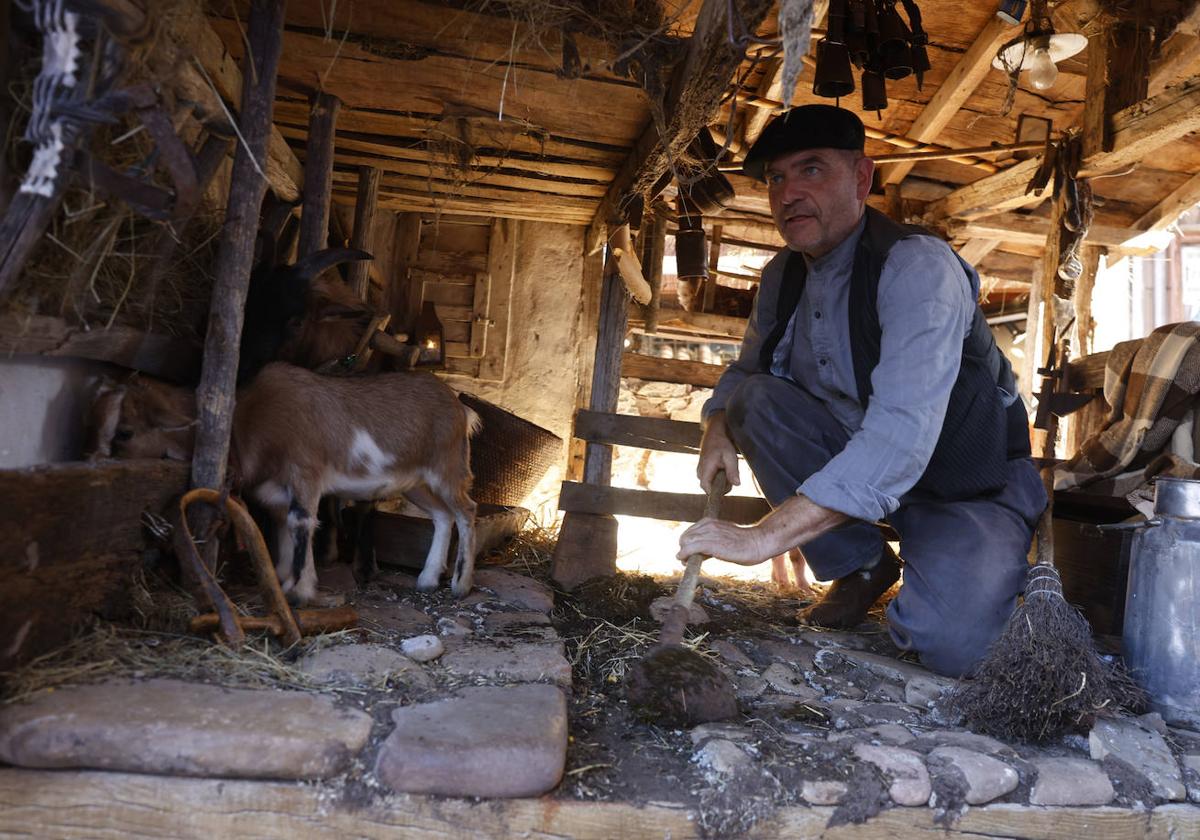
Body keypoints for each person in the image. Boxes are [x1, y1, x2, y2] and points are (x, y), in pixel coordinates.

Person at [677, 105, 1047, 677]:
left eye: (812, 170)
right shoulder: (783, 275)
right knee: (755, 400)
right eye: (776, 178)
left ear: (862, 178)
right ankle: (861, 564)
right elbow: (745, 373)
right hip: (858, 465)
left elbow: (899, 441)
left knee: (954, 646)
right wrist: (716, 427)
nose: (789, 193)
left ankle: (951, 567)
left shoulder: (917, 268)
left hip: (963, 482)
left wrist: (761, 539)